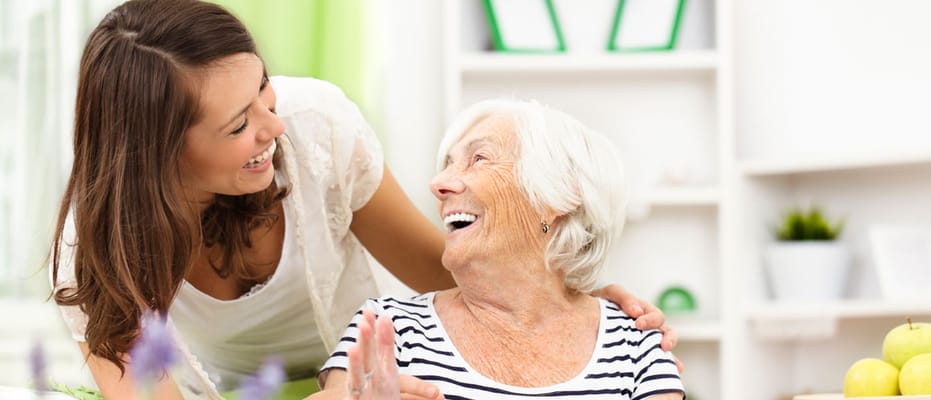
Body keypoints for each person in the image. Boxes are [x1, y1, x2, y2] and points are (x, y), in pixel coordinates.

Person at [48, 1, 676, 399]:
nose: (274, 126)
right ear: (161, 153)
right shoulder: (94, 252)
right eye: (238, 125)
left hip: (362, 369)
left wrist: (576, 300)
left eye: (264, 88)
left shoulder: (317, 125)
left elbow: (445, 268)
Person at [317, 99, 685, 400]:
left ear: (558, 196)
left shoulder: (634, 342)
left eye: (478, 159)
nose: (439, 184)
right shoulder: (388, 327)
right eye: (447, 165)